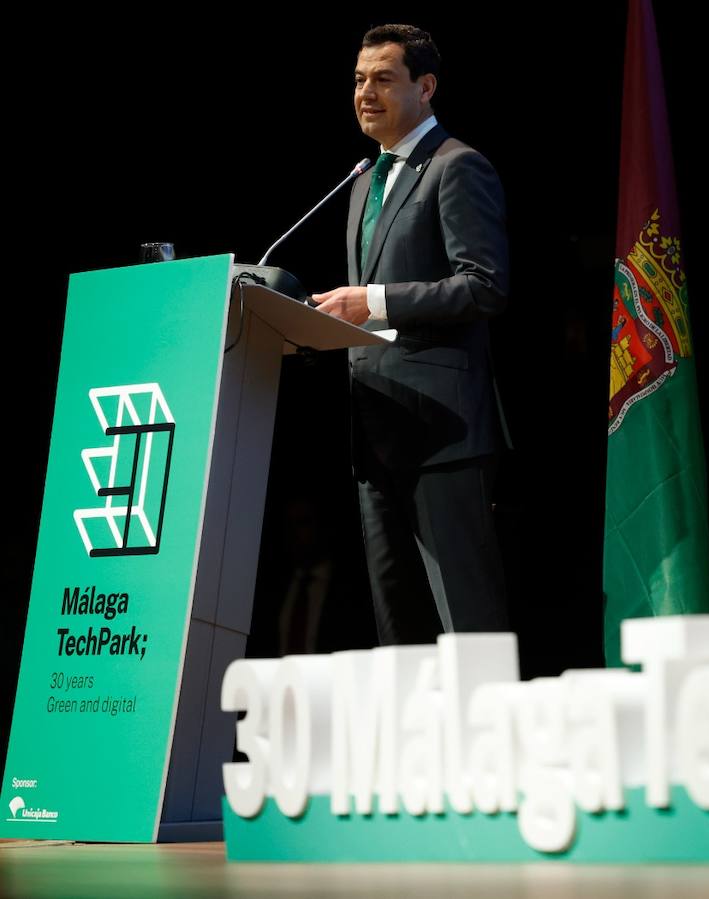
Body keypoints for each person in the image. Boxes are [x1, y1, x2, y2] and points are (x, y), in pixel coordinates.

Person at [311, 23, 509, 643]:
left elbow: (484, 285)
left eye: (383, 79)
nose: (366, 92)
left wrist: (370, 303)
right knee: (399, 628)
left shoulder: (458, 167)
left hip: (442, 431)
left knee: (465, 624)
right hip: (375, 429)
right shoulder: (363, 182)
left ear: (425, 87)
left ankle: (490, 738)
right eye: (359, 79)